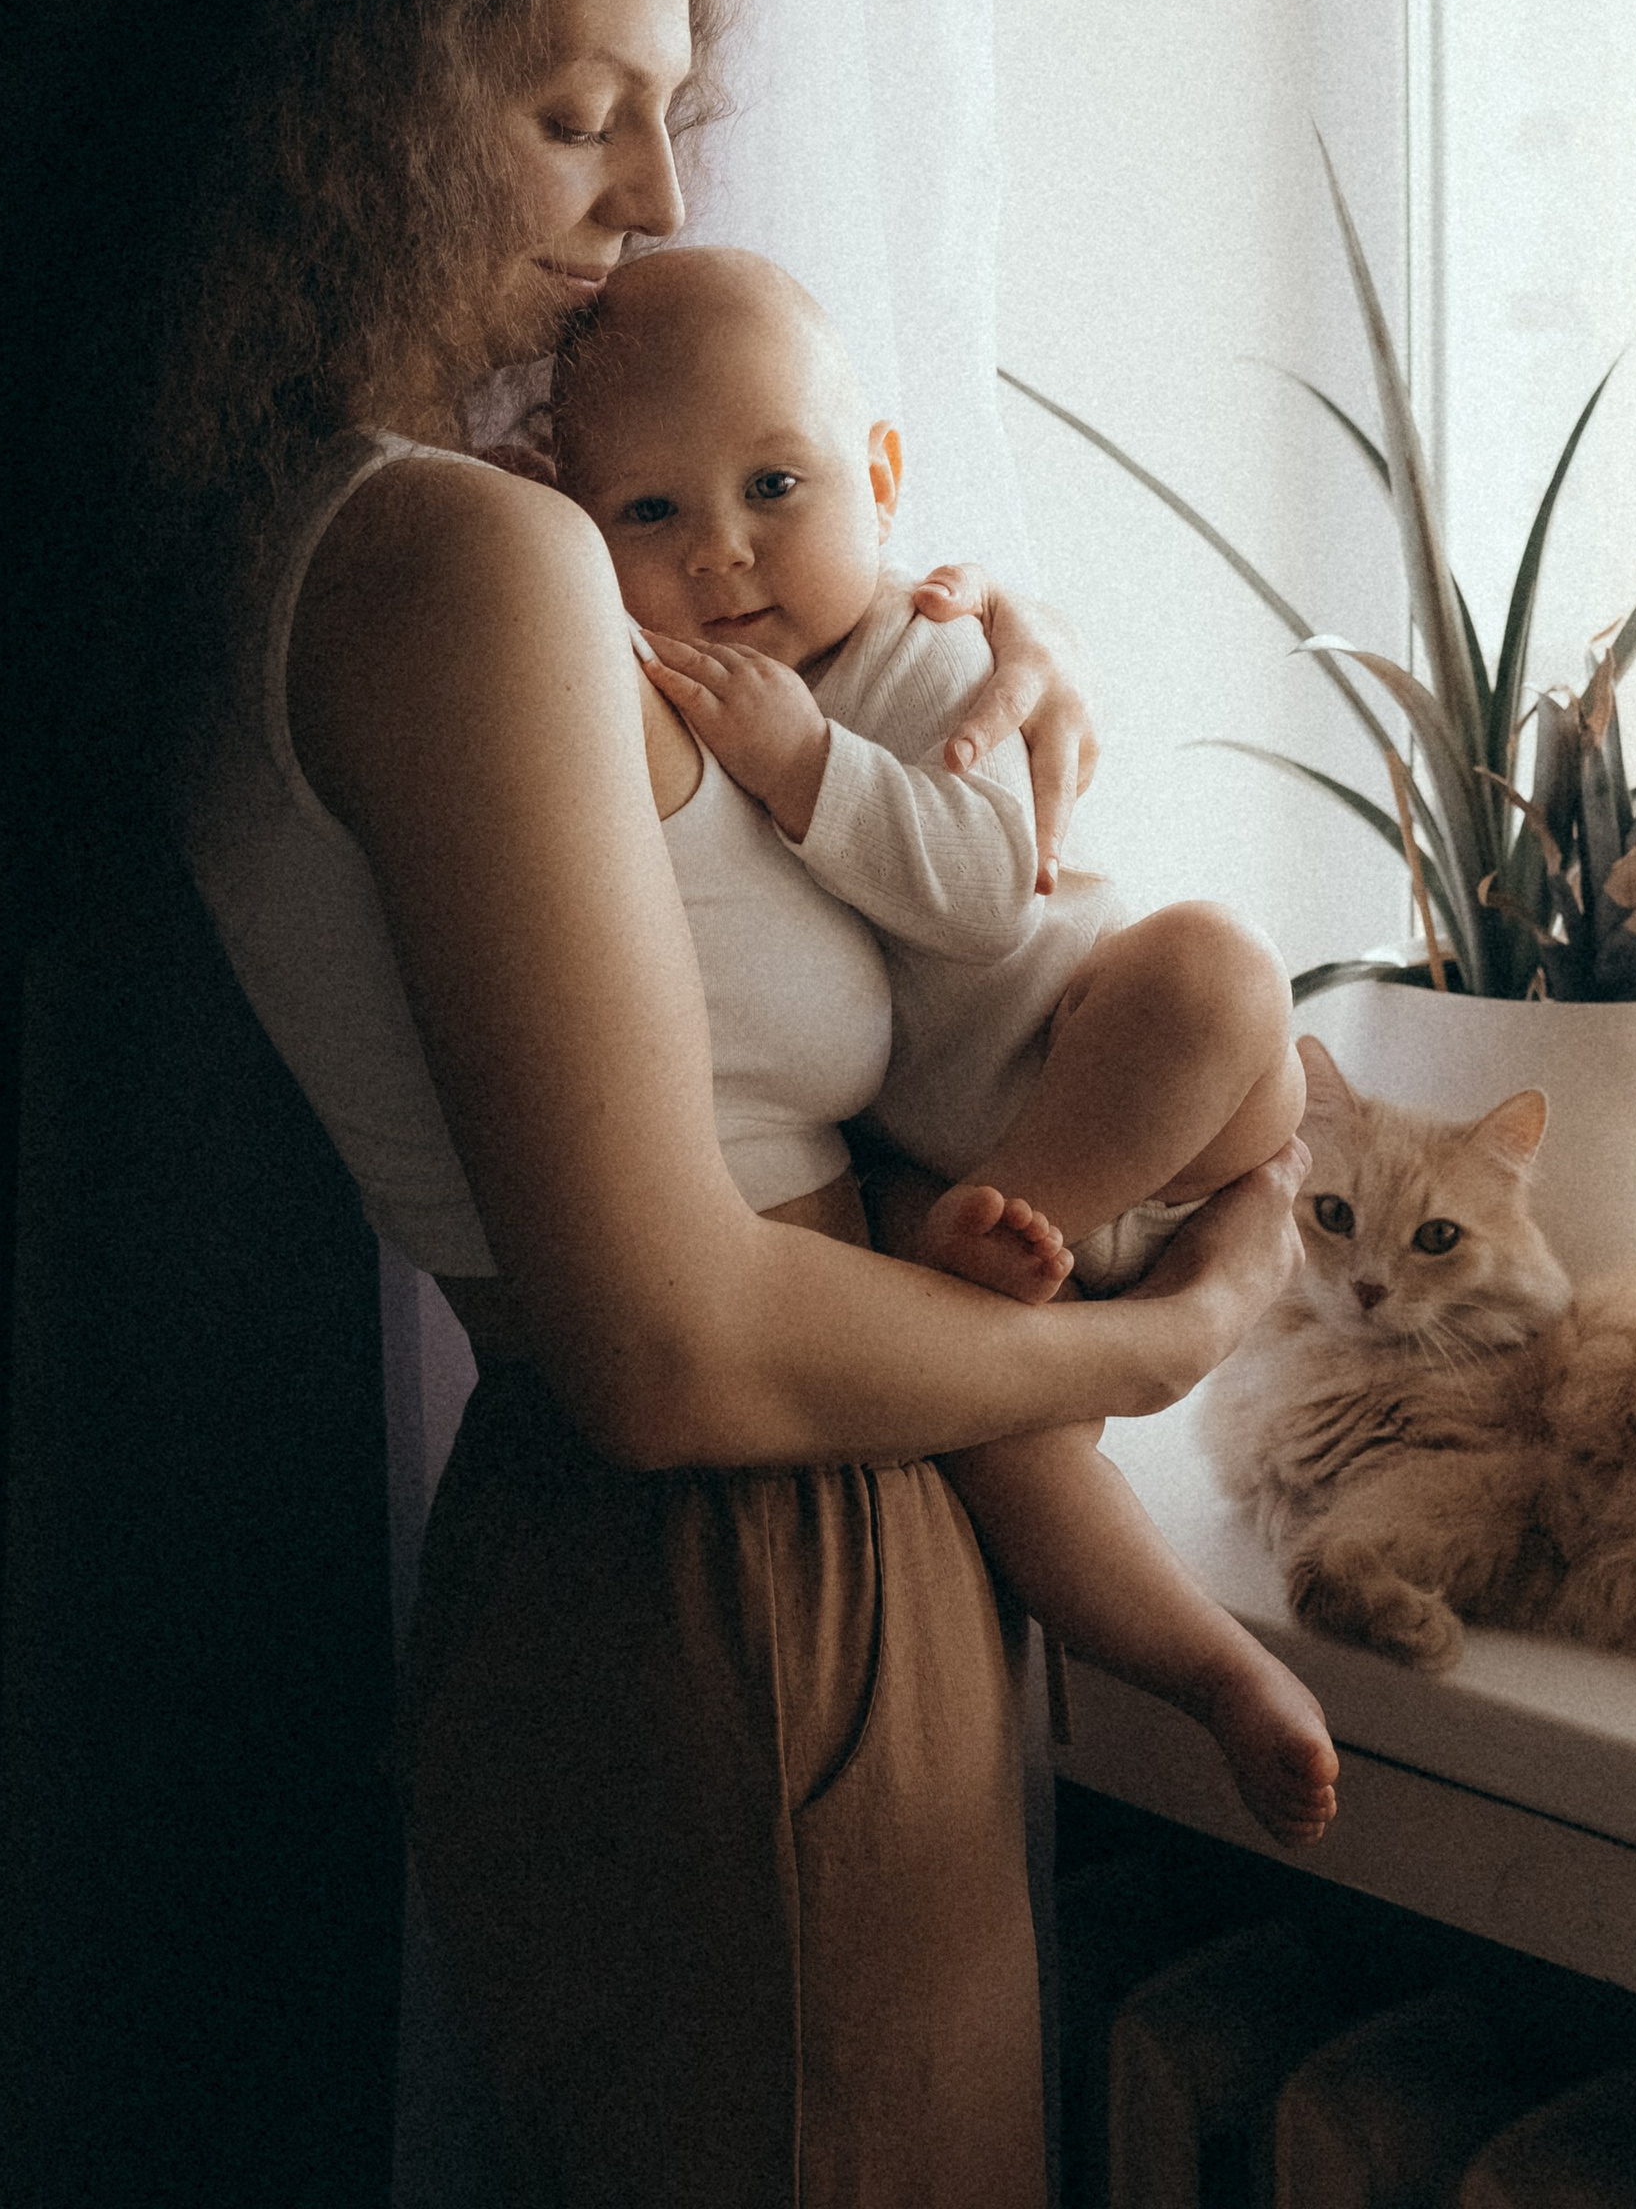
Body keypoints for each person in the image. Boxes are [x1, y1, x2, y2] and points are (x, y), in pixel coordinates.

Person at [0, 0, 1309, 2209]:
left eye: (668, 118)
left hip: (665, 1582)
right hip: (747, 1574)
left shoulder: (321, 526)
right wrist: (1152, 1338)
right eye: (570, 111)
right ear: (354, 104)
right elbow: (669, 1340)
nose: (642, 194)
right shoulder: (458, 565)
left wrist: (955, 651)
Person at [547, 242, 1339, 1849]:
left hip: (1121, 1093)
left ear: (883, 478)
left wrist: (809, 766)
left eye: (777, 484)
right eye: (649, 516)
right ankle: (1214, 1676)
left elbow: (986, 897)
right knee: (1001, 1440)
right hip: (947, 1185)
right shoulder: (660, 684)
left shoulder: (931, 655)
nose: (723, 555)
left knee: (1215, 966)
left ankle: (994, 1247)